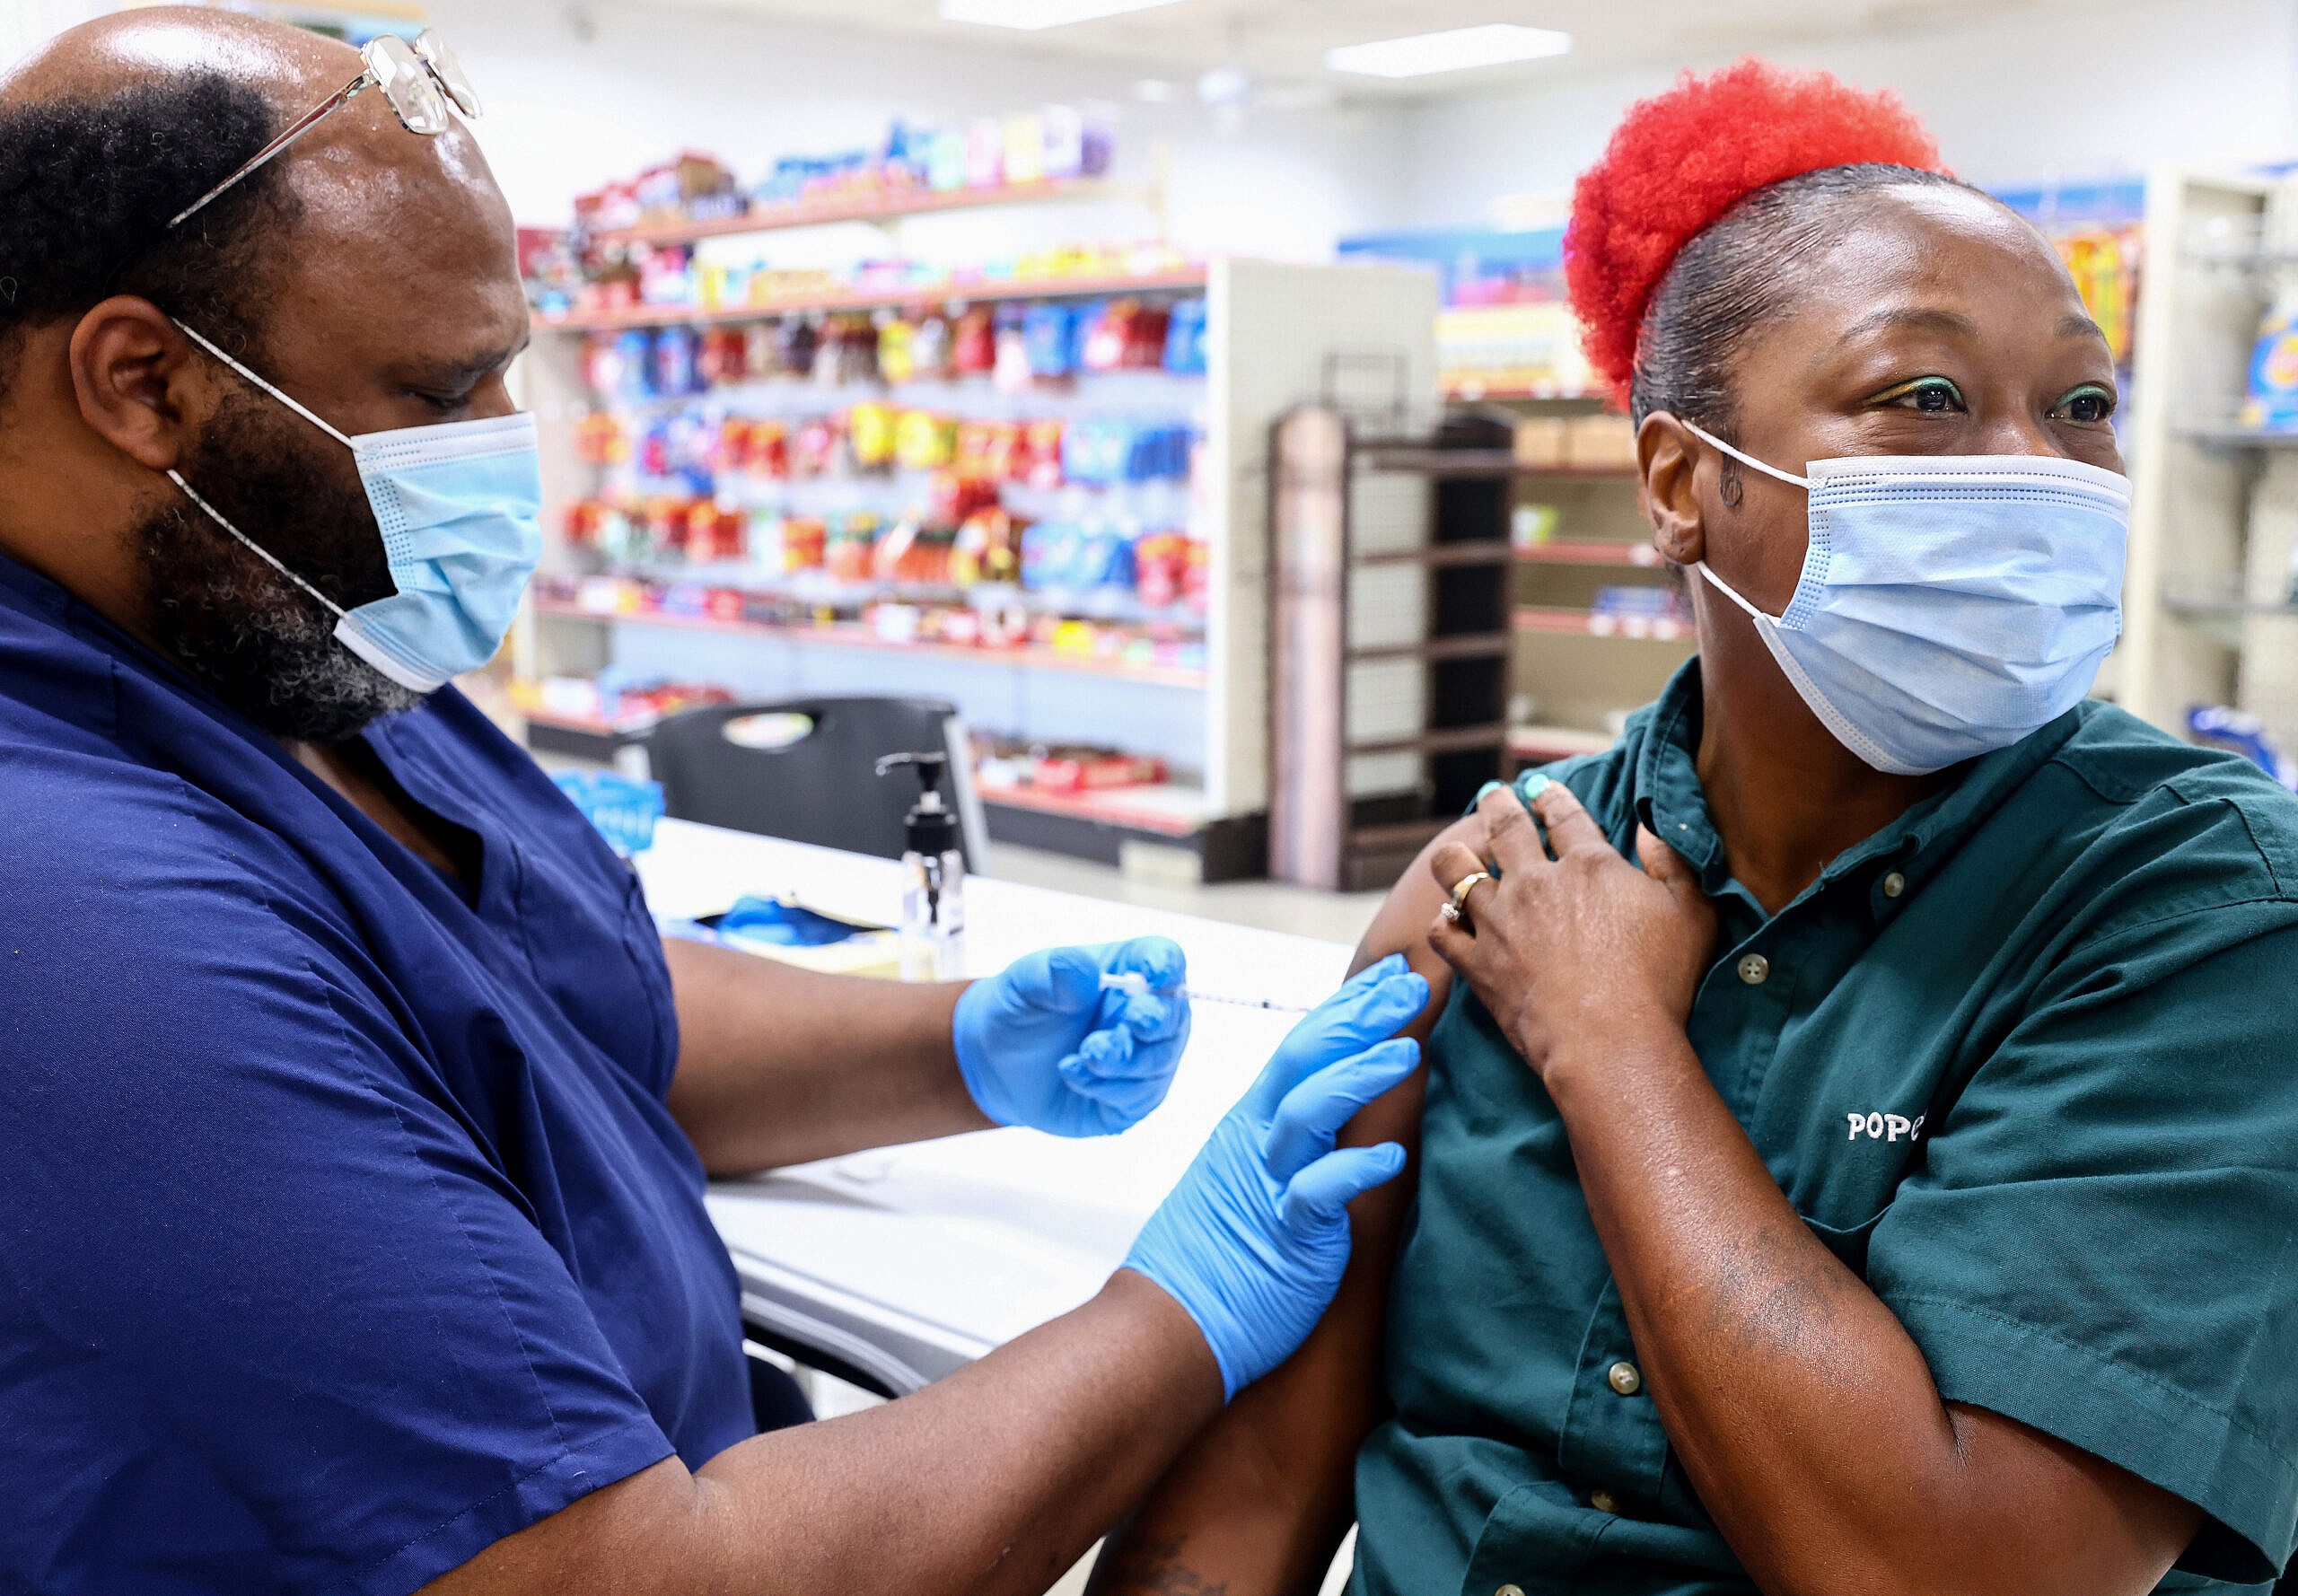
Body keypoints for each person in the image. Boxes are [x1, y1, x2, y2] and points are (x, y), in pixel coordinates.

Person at [0, 12, 1430, 1593]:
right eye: (442, 388)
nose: (504, 451)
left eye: (510, 365)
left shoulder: (294, 644)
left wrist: (952, 1044)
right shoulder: (74, 916)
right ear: (141, 383)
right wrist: (1179, 1309)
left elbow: (566, 1007)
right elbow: (623, 1575)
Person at [1093, 60, 2298, 1596]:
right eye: (1923, 398)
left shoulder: (2199, 910)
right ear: (1681, 481)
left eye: (2082, 404)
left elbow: (1967, 1575)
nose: (2036, 469)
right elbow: (1253, 1496)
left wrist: (1610, 1041)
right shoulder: (1486, 887)